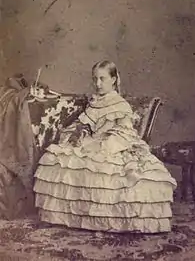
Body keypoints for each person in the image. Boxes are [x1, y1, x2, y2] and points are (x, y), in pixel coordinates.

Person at [33, 60, 177, 233]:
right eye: (95, 79)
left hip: (115, 143)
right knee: (55, 158)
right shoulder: (96, 102)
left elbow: (125, 133)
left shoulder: (120, 104)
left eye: (102, 79)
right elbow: (86, 123)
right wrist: (80, 133)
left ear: (114, 79)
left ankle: (118, 221)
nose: (98, 84)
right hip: (93, 140)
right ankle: (61, 216)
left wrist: (102, 143)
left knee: (109, 171)